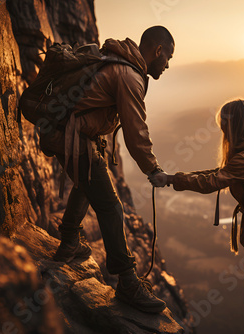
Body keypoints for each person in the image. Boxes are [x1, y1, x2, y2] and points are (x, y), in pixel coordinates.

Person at [52, 26, 174, 314]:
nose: (168, 64)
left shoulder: (121, 63)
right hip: (73, 137)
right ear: (157, 51)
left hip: (69, 133)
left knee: (88, 184)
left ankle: (69, 240)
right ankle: (128, 283)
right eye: (168, 57)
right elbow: (136, 132)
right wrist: (152, 168)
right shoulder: (129, 75)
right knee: (110, 206)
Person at [150, 99, 244, 333]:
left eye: (224, 127)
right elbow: (219, 173)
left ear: (232, 127)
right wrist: (174, 177)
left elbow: (212, 182)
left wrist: (171, 179)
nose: (223, 132)